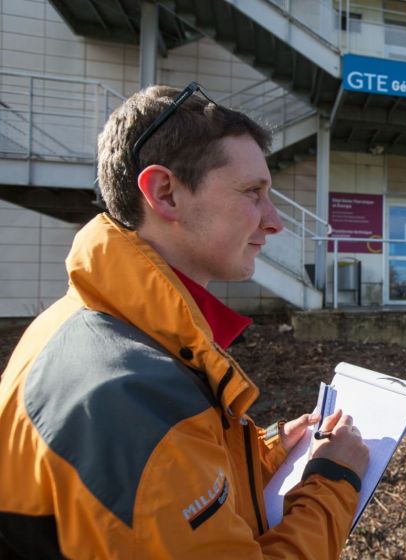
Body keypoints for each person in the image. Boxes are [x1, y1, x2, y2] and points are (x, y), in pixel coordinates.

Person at [0, 83, 369, 558]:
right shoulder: (131, 397)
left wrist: (272, 451)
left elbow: (171, 497)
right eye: (253, 192)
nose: (274, 221)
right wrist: (332, 481)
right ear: (165, 193)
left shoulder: (90, 324)